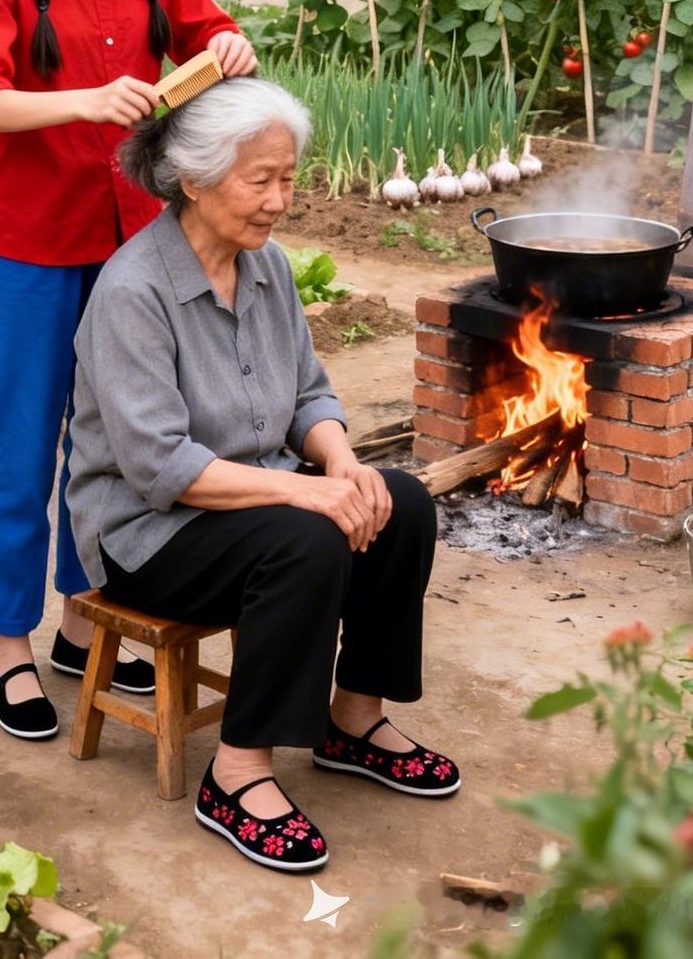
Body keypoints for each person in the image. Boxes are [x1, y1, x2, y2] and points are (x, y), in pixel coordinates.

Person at [67, 77, 458, 873]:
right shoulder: (133, 289)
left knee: (403, 501)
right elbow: (159, 465)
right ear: (197, 179)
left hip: (252, 501)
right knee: (305, 539)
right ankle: (237, 770)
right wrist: (307, 490)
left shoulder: (267, 266)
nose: (282, 198)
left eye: (289, 176)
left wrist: (343, 462)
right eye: (263, 180)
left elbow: (310, 393)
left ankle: (353, 722)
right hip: (149, 533)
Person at [0, 0, 257, 740]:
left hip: (135, 244)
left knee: (118, 439)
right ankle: (8, 647)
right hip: (35, 245)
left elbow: (207, 31)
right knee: (24, 443)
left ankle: (88, 621)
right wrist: (81, 99)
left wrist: (230, 47)